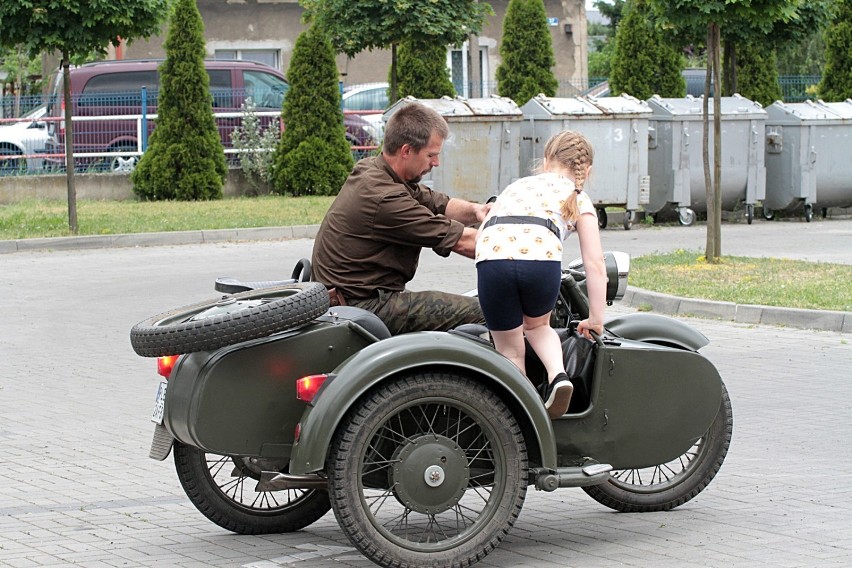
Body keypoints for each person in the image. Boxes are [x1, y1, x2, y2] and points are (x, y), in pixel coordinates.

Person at [311, 102, 491, 335]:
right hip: (364, 306)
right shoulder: (385, 198)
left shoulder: (374, 170)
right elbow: (461, 240)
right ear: (406, 151)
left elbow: (439, 203)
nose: (436, 163)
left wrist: (479, 211)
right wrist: (526, 249)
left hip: (357, 297)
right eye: (431, 155)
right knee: (491, 312)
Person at [475, 130, 606, 419]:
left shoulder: (516, 186)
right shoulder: (578, 197)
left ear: (546, 161)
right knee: (537, 327)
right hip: (541, 261)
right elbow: (595, 263)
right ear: (587, 170)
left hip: (492, 260)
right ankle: (558, 376)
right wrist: (596, 318)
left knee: (510, 350)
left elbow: (484, 227)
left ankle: (522, 417)